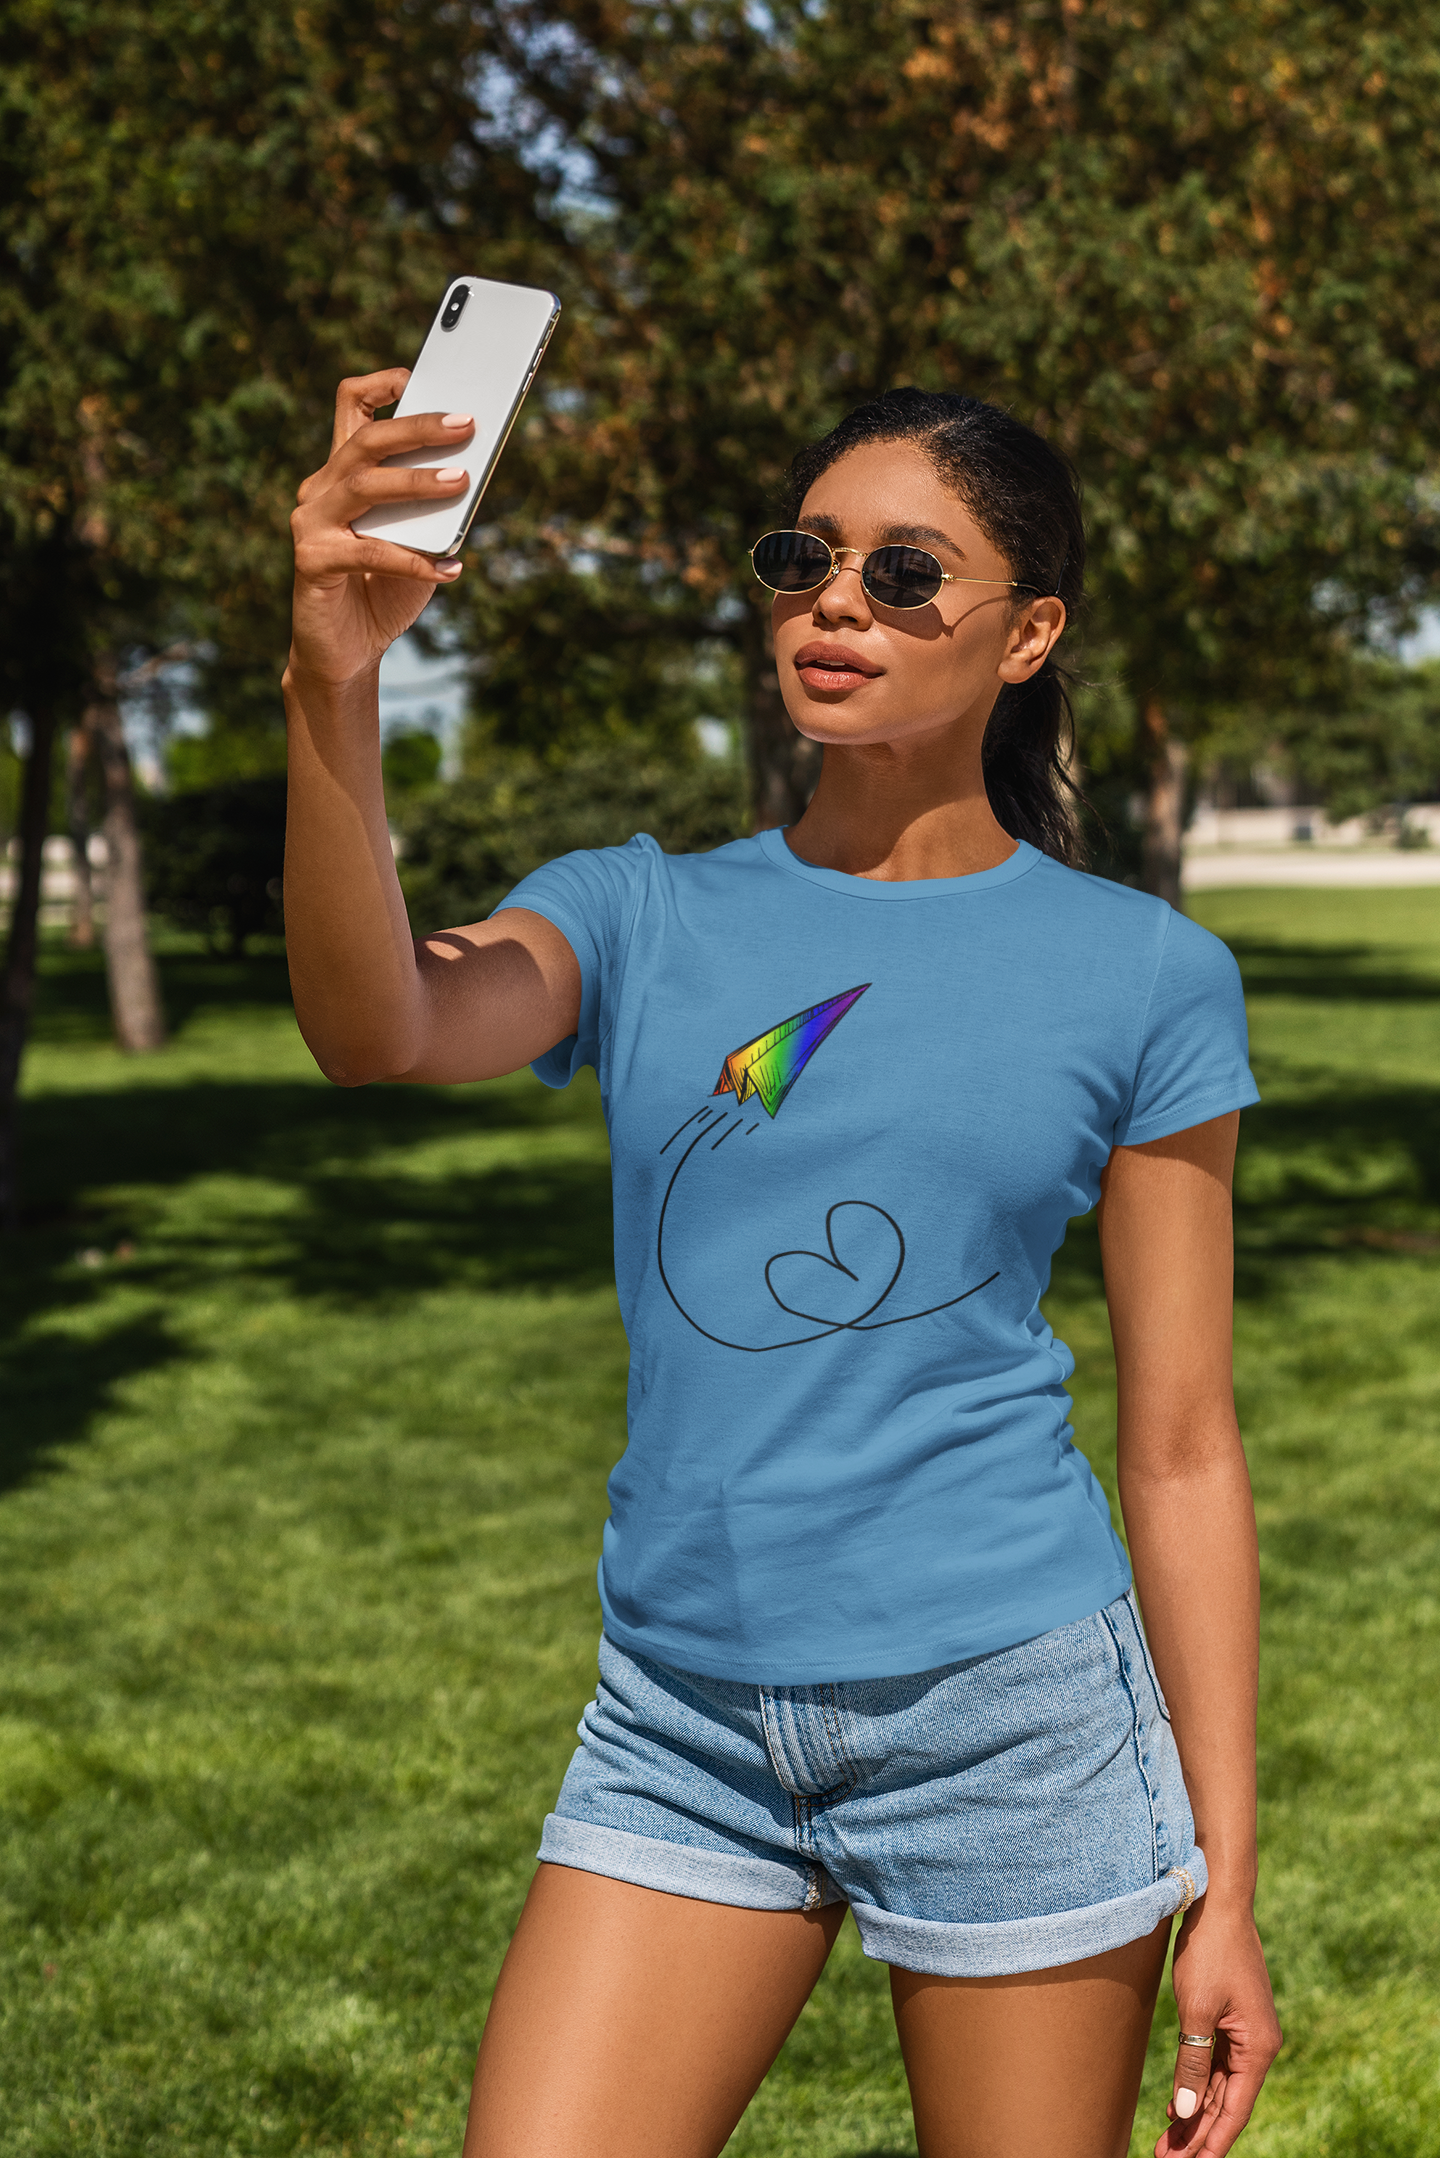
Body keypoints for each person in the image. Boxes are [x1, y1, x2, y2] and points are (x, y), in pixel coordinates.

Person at [283, 373, 1283, 2158]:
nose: (837, 600)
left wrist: (1228, 1879)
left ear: (1030, 631)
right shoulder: (636, 909)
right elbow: (378, 1023)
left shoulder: (1146, 975)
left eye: (909, 573)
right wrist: (334, 678)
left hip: (1016, 1723)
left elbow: (1186, 1440)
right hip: (683, 1714)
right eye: (804, 557)